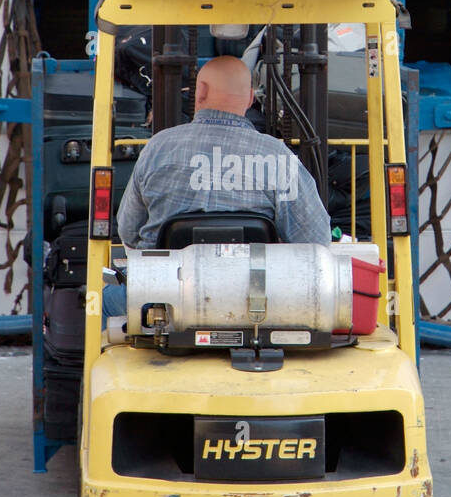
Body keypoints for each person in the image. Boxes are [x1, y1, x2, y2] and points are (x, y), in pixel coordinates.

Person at [103, 56, 332, 323]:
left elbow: (128, 231)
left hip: (162, 299)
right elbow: (316, 242)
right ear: (249, 98)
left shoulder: (157, 148)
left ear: (200, 91)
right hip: (253, 303)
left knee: (105, 302)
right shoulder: (278, 157)